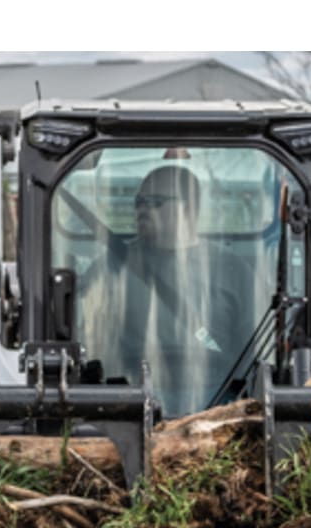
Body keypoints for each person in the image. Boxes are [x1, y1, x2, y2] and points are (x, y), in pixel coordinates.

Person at [81, 165, 253, 415]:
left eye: (155, 202)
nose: (142, 209)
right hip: (131, 393)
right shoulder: (109, 268)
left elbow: (252, 349)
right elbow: (88, 339)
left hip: (215, 393)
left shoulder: (233, 270)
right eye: (139, 202)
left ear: (190, 207)